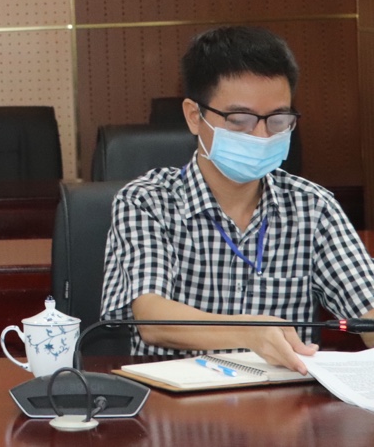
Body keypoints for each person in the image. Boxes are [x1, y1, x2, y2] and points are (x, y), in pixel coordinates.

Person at [100, 26, 374, 374]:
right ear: (195, 116)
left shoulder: (313, 207)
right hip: (173, 401)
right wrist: (249, 331)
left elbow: (368, 309)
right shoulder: (147, 202)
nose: (261, 135)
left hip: (284, 401)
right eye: (240, 120)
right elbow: (151, 317)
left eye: (278, 120)